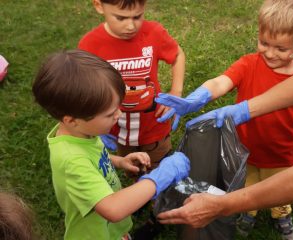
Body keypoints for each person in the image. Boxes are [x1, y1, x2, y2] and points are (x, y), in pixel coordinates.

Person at [155, 0, 293, 232]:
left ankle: (280, 217)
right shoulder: (251, 64)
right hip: (249, 152)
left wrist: (223, 205)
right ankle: (248, 215)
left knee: (280, 194)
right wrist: (215, 101)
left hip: (280, 158)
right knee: (247, 184)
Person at [31, 49, 190, 240]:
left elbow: (93, 156)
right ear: (72, 120)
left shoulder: (80, 131)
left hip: (109, 228)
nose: (119, 115)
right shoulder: (71, 161)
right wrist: (162, 175)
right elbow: (113, 209)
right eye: (110, 114)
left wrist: (119, 161)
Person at [78, 0, 185, 172]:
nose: (130, 26)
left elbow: (177, 54)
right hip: (117, 127)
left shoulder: (153, 33)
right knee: (132, 168)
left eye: (137, 16)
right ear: (99, 6)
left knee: (158, 167)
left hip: (154, 126)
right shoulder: (90, 45)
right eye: (120, 18)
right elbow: (83, 85)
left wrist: (176, 92)